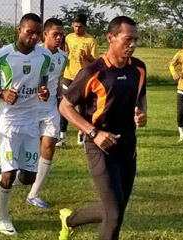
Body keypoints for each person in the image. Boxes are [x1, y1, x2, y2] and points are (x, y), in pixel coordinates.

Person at [58, 16, 147, 240]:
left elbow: (141, 95)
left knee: (116, 209)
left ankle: (69, 221)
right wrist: (93, 133)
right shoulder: (93, 72)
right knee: (115, 214)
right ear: (111, 37)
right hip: (100, 147)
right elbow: (65, 106)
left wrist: (141, 112)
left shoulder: (138, 68)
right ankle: (70, 221)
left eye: (135, 40)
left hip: (128, 145)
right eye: (128, 39)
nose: (133, 44)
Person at [0, 13, 50, 235]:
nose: (34, 37)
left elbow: (43, 80)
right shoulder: (2, 55)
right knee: (9, 176)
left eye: (38, 33)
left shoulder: (44, 56)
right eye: (29, 31)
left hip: (31, 120)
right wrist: (1, 92)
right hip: (8, 121)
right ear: (19, 30)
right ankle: (2, 218)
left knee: (29, 176)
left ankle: (6, 170)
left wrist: (43, 91)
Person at [26, 18, 67, 209]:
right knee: (27, 150)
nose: (59, 38)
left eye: (61, 35)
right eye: (55, 34)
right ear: (45, 34)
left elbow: (55, 80)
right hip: (30, 106)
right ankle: (7, 165)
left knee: (49, 145)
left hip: (50, 107)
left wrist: (60, 94)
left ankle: (34, 193)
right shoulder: (34, 54)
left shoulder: (63, 57)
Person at [57, 13, 99, 147]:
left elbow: (96, 61)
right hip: (68, 76)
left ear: (85, 26)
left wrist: (86, 56)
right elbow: (65, 53)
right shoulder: (68, 38)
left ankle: (82, 132)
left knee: (83, 108)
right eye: (74, 26)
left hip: (83, 78)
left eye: (79, 27)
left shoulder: (90, 41)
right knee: (64, 105)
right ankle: (62, 137)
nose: (76, 29)